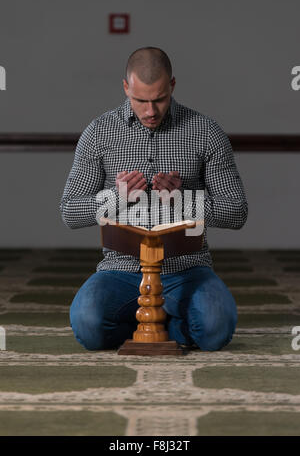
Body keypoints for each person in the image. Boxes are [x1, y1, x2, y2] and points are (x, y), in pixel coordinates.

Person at [60, 46, 248, 352]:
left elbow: (237, 211)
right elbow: (69, 211)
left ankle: (151, 321)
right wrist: (115, 198)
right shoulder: (99, 133)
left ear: (172, 86)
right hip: (120, 269)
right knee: (88, 328)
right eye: (141, 100)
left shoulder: (206, 132)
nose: (150, 111)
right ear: (126, 88)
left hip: (186, 267)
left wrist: (183, 200)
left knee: (215, 330)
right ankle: (161, 322)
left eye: (159, 99)